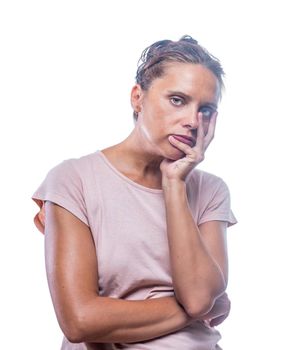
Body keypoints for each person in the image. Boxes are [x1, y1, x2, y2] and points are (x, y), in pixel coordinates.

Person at [32, 35, 237, 350]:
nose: (192, 121)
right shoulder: (74, 180)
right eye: (178, 100)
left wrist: (174, 184)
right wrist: (201, 308)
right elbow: (80, 321)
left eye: (205, 109)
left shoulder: (210, 190)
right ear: (138, 98)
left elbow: (197, 297)